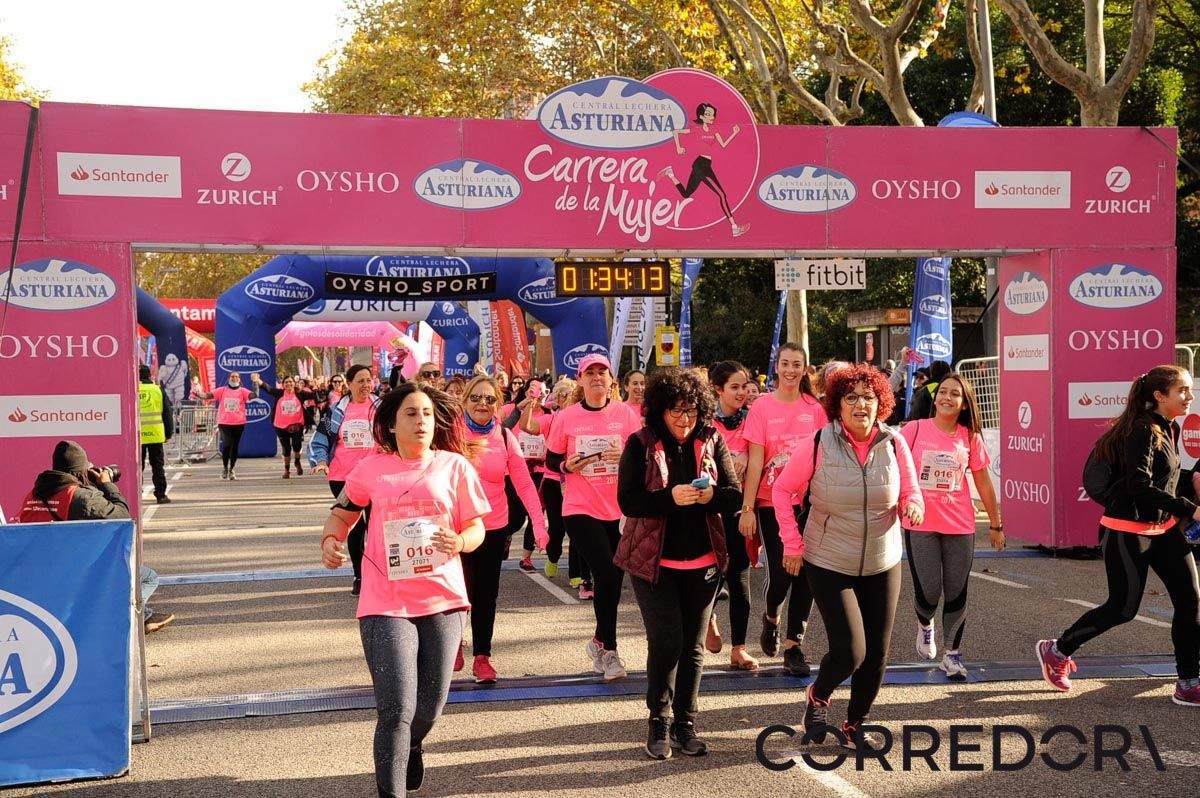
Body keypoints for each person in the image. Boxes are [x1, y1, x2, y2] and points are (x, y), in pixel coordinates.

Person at [319, 383, 490, 796]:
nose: (421, 422)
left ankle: (413, 743)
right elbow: (341, 515)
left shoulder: (455, 467)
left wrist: (461, 541)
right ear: (392, 425)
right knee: (396, 709)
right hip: (384, 600)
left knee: (428, 709)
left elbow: (476, 527)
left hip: (443, 599)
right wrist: (330, 541)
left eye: (427, 414)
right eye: (411, 414)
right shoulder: (371, 469)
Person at [772, 363, 923, 749]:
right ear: (837, 405)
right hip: (829, 559)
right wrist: (792, 543)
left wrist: (912, 505)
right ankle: (818, 695)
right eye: (851, 398)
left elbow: (910, 490)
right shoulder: (819, 442)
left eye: (869, 398)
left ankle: (856, 723)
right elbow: (782, 491)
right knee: (851, 650)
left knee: (877, 654)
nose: (861, 405)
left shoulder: (895, 442)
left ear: (881, 404)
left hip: (882, 559)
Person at [1037, 365, 1200, 706]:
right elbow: (1139, 486)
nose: (1189, 396)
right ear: (1159, 396)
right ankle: (1057, 650)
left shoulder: (1168, 427)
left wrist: (1186, 493)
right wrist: (1190, 508)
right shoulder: (1141, 430)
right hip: (1128, 533)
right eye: (1182, 390)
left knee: (1190, 600)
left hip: (1165, 530)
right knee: (1122, 609)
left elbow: (1162, 478)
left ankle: (1187, 681)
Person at [615, 367, 741, 760]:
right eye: (675, 411)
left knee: (693, 648)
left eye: (690, 411)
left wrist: (709, 498)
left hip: (703, 561)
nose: (684, 419)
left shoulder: (712, 438)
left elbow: (734, 495)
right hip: (655, 563)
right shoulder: (639, 443)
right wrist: (672, 497)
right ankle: (659, 722)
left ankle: (686, 725)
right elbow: (629, 501)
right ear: (659, 411)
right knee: (667, 642)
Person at [545, 354, 642, 681]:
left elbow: (644, 459)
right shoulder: (567, 417)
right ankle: (611, 651)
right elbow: (551, 460)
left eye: (603, 372)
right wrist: (566, 467)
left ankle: (599, 639)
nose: (597, 377)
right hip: (580, 507)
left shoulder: (626, 415)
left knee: (614, 577)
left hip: (618, 509)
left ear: (612, 380)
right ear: (581, 380)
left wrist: (626, 457)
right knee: (606, 573)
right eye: (591, 373)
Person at [900, 372, 1002, 680]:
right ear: (935, 397)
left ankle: (952, 654)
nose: (946, 397)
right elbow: (893, 469)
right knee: (929, 590)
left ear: (963, 403)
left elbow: (983, 482)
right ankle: (925, 624)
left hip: (960, 524)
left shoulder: (969, 437)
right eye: (942, 392)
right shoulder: (914, 430)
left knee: (957, 590)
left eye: (954, 394)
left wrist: (996, 524)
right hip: (920, 522)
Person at [14, 440, 175, 632]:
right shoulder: (78, 497)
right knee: (147, 577)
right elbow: (122, 516)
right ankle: (127, 619)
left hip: (36, 573)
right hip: (76, 574)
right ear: (79, 471)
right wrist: (106, 484)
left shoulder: (32, 495)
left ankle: (145, 616)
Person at [738, 342, 826, 675]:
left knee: (807, 573)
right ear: (777, 366)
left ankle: (794, 646)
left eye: (797, 365)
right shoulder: (761, 407)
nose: (790, 370)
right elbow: (756, 460)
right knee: (781, 574)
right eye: (785, 363)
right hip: (769, 501)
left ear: (805, 369)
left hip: (808, 503)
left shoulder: (814, 409)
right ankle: (772, 615)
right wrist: (747, 508)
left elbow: (821, 459)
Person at [459, 375, 548, 683]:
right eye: (476, 398)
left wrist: (539, 523)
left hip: (492, 527)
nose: (483, 404)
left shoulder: (506, 437)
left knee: (485, 594)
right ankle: (453, 640)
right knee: (457, 591)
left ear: (498, 405)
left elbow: (524, 483)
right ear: (465, 401)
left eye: (489, 399)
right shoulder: (448, 434)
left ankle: (482, 656)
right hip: (454, 528)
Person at [312, 364, 381, 595]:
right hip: (343, 477)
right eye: (360, 381)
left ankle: (378, 574)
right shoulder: (335, 411)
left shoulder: (381, 408)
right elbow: (319, 438)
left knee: (375, 524)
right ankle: (360, 576)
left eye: (368, 380)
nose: (365, 385)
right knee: (356, 525)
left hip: (376, 477)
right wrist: (321, 460)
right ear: (349, 384)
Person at [709, 360, 758, 671]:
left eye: (744, 386)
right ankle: (709, 618)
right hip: (709, 510)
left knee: (739, 576)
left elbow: (762, 455)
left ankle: (739, 648)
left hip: (741, 506)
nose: (742, 393)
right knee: (710, 572)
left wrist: (749, 459)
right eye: (734, 387)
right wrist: (726, 464)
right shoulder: (704, 423)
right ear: (719, 390)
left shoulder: (754, 420)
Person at [522, 378, 587, 586]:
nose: (572, 399)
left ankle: (576, 574)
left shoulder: (583, 418)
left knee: (577, 528)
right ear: (558, 398)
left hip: (578, 481)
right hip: (552, 480)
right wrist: (531, 405)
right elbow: (527, 426)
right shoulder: (552, 419)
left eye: (575, 395)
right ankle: (552, 556)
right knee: (557, 528)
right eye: (567, 395)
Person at [658, 102, 750, 237]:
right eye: (708, 114)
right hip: (700, 165)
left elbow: (723, 144)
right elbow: (676, 132)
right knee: (722, 195)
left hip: (705, 164)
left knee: (686, 194)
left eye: (712, 114)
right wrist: (678, 147)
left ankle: (671, 174)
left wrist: (734, 133)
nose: (711, 116)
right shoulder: (697, 129)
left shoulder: (715, 130)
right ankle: (734, 227)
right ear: (701, 116)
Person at [252, 372, 316, 478]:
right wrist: (257, 380)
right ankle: (287, 470)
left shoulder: (300, 393)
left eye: (290, 382)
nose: (288, 384)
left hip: (296, 425)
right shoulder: (279, 393)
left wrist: (318, 387)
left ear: (294, 383)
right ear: (283, 384)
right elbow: (268, 388)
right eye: (286, 382)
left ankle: (297, 461)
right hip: (281, 425)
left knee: (297, 446)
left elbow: (314, 395)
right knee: (286, 448)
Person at [138, 364, 175, 504]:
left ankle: (136, 493)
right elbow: (167, 413)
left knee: (137, 466)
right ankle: (161, 494)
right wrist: (169, 432)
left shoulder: (133, 389)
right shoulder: (157, 389)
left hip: (138, 436)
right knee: (157, 466)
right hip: (156, 434)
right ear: (149, 375)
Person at [211, 371, 252, 480]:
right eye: (232, 376)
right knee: (227, 444)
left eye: (236, 377)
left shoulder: (243, 391)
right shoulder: (222, 390)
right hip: (224, 422)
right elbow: (208, 395)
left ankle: (231, 469)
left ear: (239, 379)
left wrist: (256, 383)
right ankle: (225, 467)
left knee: (234, 446)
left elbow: (254, 395)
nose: (234, 378)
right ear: (229, 378)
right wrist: (199, 394)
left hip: (239, 423)